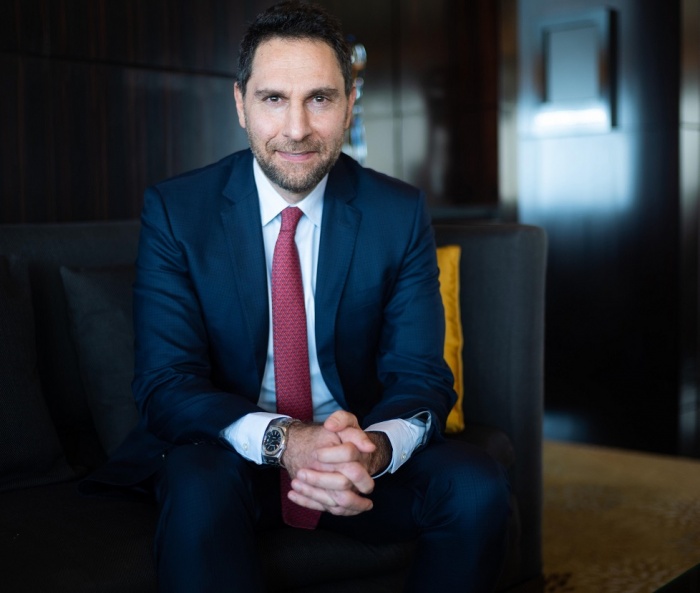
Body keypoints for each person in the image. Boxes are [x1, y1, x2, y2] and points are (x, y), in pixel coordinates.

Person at [82, 2, 510, 591]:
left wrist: (372, 450)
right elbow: (166, 383)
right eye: (274, 98)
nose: (297, 129)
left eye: (320, 98)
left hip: (353, 458)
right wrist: (286, 442)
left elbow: (421, 376)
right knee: (196, 483)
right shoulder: (177, 211)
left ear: (350, 102)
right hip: (232, 454)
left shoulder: (398, 212)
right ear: (241, 104)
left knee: (477, 485)